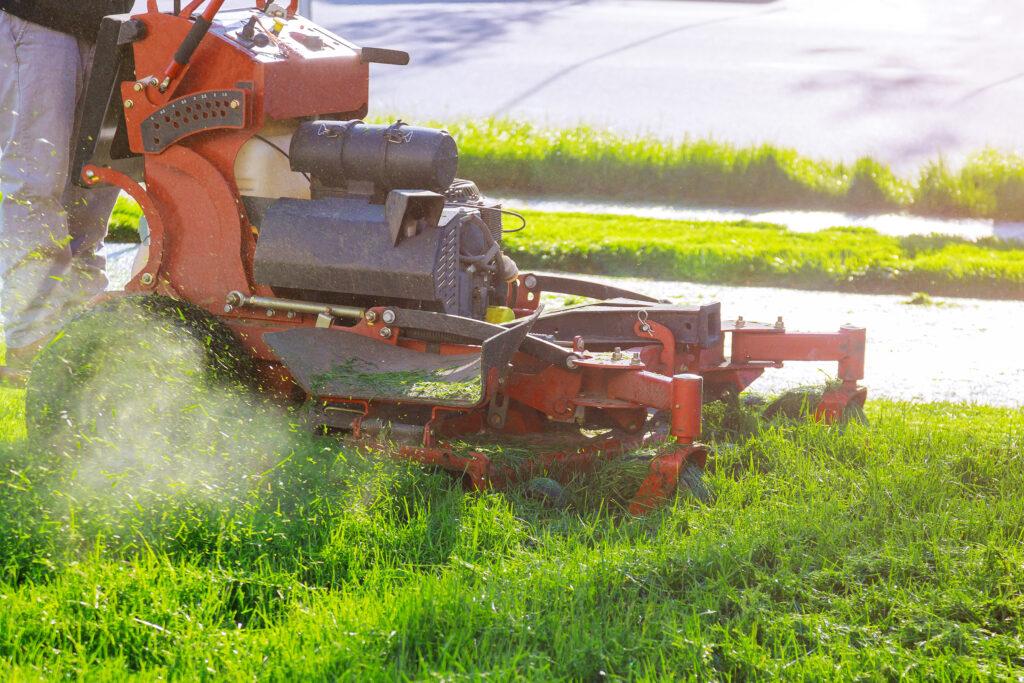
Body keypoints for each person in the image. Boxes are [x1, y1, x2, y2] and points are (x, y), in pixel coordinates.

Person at [0, 0, 133, 381]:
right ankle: (33, 342)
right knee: (36, 183)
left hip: (110, 24)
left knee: (92, 191)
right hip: (37, 18)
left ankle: (82, 335)